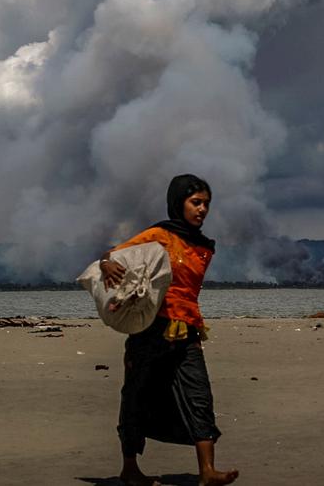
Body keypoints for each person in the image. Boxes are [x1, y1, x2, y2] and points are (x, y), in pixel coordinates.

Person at [99, 174, 239, 486]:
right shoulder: (160, 234)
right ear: (178, 203)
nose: (202, 209)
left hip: (188, 329)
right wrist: (106, 264)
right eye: (195, 202)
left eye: (206, 204)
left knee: (199, 395)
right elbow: (114, 254)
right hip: (151, 329)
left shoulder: (203, 246)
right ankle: (130, 469)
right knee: (136, 395)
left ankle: (207, 471)